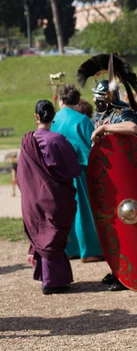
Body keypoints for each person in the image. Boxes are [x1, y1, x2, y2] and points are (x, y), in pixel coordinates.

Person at [77, 53, 137, 291]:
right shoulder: (101, 115)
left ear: (108, 97)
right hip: (108, 181)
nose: (96, 103)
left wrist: (106, 127)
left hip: (128, 182)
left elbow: (133, 127)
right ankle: (118, 269)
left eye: (99, 98)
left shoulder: (122, 113)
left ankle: (134, 270)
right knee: (111, 228)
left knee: (129, 225)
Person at [17, 100, 81, 294]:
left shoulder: (27, 142)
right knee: (53, 235)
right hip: (56, 198)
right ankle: (54, 281)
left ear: (36, 117)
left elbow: (22, 175)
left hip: (34, 198)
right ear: (53, 117)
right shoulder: (58, 140)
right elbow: (73, 169)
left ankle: (48, 278)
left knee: (42, 234)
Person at [51, 84, 103, 263]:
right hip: (79, 169)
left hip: (56, 170)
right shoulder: (82, 120)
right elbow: (93, 148)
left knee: (63, 208)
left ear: (61, 100)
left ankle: (69, 248)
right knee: (82, 208)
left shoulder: (54, 120)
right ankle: (88, 250)